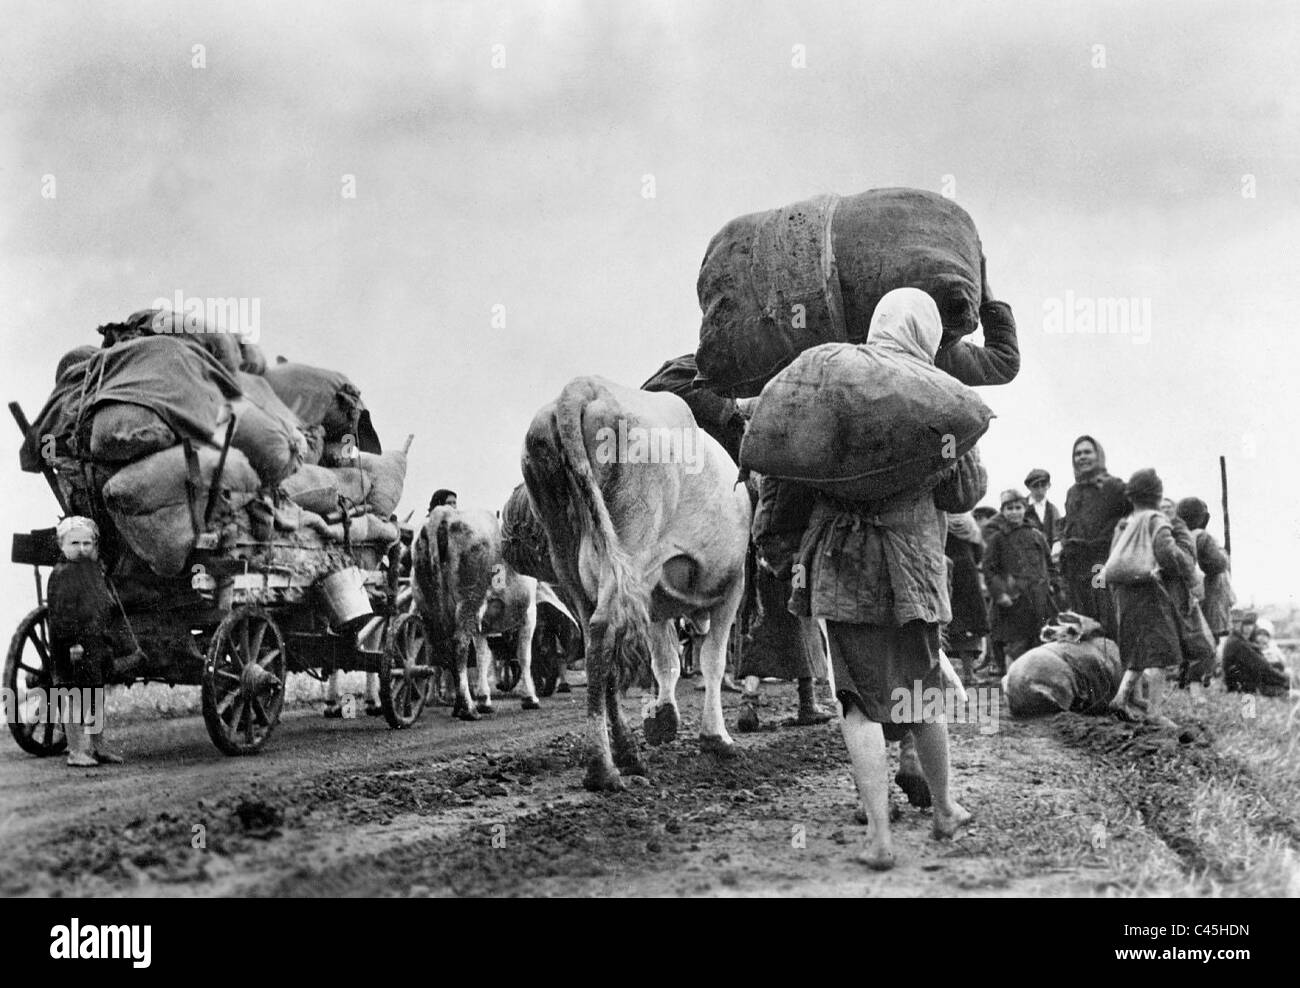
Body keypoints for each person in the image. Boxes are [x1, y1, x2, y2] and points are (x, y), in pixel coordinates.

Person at [790, 288, 985, 871]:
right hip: (911, 569)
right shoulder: (936, 395)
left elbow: (790, 470)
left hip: (844, 564)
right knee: (922, 695)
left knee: (858, 705)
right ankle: (944, 808)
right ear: (924, 334)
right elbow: (962, 492)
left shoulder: (831, 384)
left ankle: (879, 837)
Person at [739, 477, 834, 731]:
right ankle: (807, 703)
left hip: (764, 558)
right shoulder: (796, 473)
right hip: (794, 559)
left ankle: (748, 702)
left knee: (764, 629)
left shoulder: (765, 473)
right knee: (803, 622)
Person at [1105, 469, 1196, 728]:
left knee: (1137, 649)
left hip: (1123, 593)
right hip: (1148, 591)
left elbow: (1112, 558)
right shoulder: (1156, 519)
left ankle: (1120, 699)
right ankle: (1155, 713)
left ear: (1131, 496)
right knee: (1160, 652)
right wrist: (1188, 569)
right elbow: (1168, 553)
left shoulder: (1125, 523)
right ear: (1158, 495)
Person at [46, 517, 124, 766]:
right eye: (74, 543)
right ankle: (76, 751)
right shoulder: (63, 574)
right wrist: (73, 643)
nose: (81, 548)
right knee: (74, 696)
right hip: (73, 646)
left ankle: (98, 746)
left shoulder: (91, 570)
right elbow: (62, 613)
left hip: (94, 642)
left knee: (96, 694)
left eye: (87, 543)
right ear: (61, 545)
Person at [1060, 436, 1128, 637]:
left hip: (1100, 565)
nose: (1082, 457)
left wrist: (1119, 530)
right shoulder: (1073, 492)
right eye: (1077, 454)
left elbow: (1135, 510)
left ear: (1098, 455)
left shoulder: (1113, 486)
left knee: (1105, 616)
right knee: (1082, 621)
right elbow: (1070, 523)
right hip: (1076, 567)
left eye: (1087, 452)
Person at [983, 489, 1055, 669]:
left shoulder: (1036, 535)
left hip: (1038, 599)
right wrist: (1000, 594)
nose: (1014, 512)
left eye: (1018, 507)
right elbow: (989, 569)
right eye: (1009, 508)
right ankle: (1011, 677)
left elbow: (1049, 564)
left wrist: (1053, 586)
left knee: (1041, 642)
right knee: (1014, 645)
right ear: (1003, 511)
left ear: (1025, 509)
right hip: (1014, 601)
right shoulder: (998, 538)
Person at [1175, 497, 1235, 643]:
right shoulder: (1202, 536)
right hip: (1209, 605)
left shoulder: (1179, 538)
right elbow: (1218, 564)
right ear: (1204, 518)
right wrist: (1223, 553)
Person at [944, 511, 989, 685]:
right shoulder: (969, 524)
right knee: (969, 626)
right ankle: (968, 674)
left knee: (947, 624)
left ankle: (945, 676)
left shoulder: (939, 519)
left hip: (946, 575)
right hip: (968, 577)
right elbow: (979, 553)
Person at [1222, 612, 1291, 696]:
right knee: (1286, 689)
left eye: (1250, 624)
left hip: (1243, 681)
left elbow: (1260, 663)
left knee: (1278, 667)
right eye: (1245, 624)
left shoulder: (1236, 639)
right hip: (1241, 686)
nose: (1248, 628)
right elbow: (1262, 666)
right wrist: (1286, 679)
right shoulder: (1237, 643)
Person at [1022, 468, 1061, 548]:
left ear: (1049, 485)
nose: (1040, 488)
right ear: (1029, 487)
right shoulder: (1020, 507)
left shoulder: (1053, 510)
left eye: (1043, 484)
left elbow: (1057, 534)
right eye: (1035, 485)